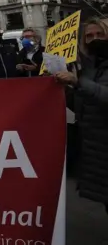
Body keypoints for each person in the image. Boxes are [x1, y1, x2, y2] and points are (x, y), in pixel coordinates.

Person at [54, 17, 108, 214]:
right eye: (89, 36)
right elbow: (83, 106)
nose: (95, 39)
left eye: (99, 34)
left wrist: (78, 83)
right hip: (97, 147)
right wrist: (62, 88)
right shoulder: (89, 68)